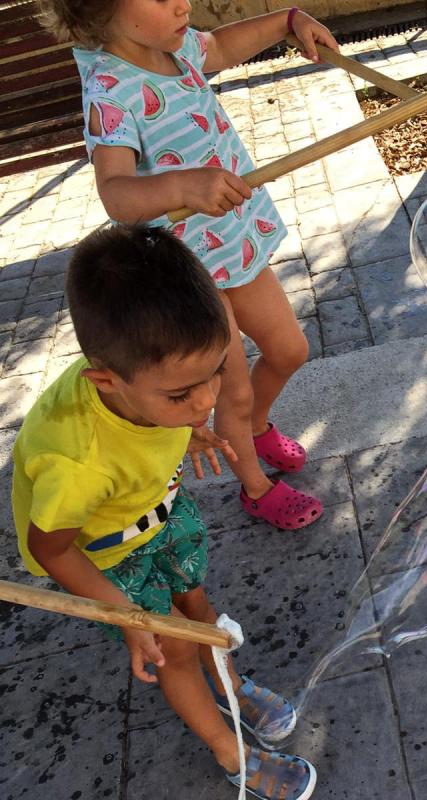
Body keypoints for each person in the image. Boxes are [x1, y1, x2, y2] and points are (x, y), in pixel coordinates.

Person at [12, 225, 315, 800]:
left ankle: (227, 679)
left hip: (158, 513)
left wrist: (184, 430)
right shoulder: (77, 460)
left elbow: (179, 397)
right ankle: (234, 755)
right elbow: (52, 549)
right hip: (106, 558)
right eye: (182, 398)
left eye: (216, 375)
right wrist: (124, 615)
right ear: (107, 380)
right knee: (172, 647)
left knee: (196, 602)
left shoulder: (148, 382)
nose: (205, 403)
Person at [42, 0, 339, 530]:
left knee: (290, 349)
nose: (184, 4)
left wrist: (290, 20)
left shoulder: (177, 48)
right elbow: (116, 195)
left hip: (232, 244)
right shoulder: (110, 90)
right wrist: (183, 184)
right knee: (232, 389)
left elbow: (222, 46)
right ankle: (254, 485)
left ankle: (256, 427)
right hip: (189, 273)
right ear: (100, 11)